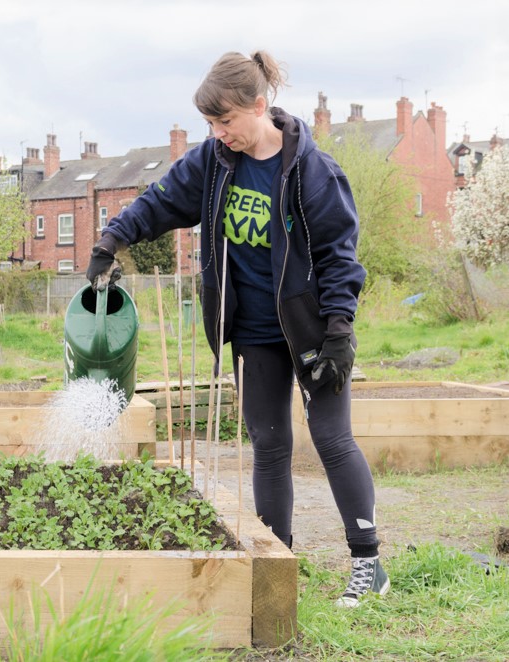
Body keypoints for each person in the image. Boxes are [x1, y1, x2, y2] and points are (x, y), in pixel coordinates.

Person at [86, 50, 389, 607]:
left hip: (312, 327)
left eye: (226, 121)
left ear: (259, 105)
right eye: (211, 125)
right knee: (269, 445)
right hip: (250, 328)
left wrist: (340, 329)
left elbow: (341, 256)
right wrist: (112, 239)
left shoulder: (312, 172)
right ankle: (278, 561)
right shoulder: (215, 162)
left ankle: (369, 563)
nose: (220, 133)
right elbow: (160, 201)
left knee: (330, 437)